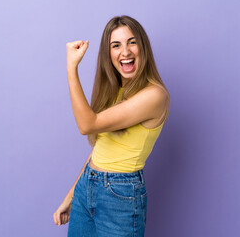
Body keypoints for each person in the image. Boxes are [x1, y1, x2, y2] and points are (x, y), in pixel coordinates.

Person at [53, 15, 170, 236]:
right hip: (87, 187)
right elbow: (100, 150)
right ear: (109, 54)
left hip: (120, 196)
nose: (125, 52)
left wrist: (71, 68)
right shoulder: (117, 93)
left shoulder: (154, 96)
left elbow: (87, 125)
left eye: (132, 42)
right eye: (116, 45)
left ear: (143, 47)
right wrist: (71, 195)